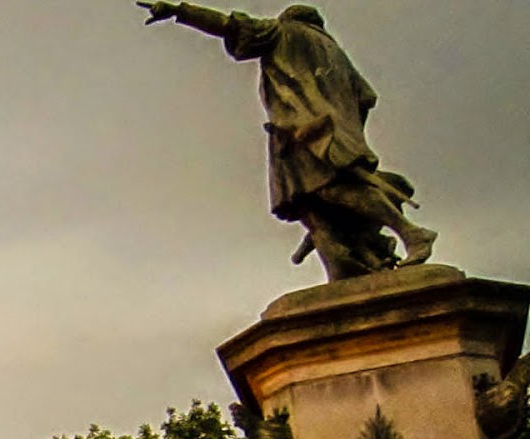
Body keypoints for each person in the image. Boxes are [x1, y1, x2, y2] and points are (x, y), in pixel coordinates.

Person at [138, 2, 437, 280]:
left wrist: (179, 11)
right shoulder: (334, 51)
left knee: (330, 190)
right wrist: (349, 132)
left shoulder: (286, 31)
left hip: (304, 131)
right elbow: (366, 97)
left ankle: (412, 234)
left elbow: (230, 25)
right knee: (312, 206)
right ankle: (347, 266)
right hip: (323, 133)